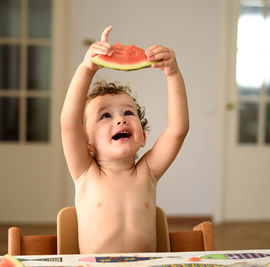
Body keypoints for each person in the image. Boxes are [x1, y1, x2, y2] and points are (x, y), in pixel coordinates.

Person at [60, 25, 189, 254]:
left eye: (129, 113)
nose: (120, 120)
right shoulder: (86, 173)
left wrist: (173, 74)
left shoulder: (147, 172)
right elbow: (69, 125)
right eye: (105, 116)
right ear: (86, 141)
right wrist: (87, 69)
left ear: (143, 137)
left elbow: (177, 130)